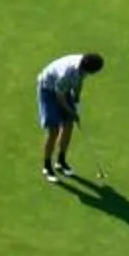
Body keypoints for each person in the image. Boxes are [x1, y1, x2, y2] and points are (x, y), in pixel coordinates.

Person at [36, 51, 104, 179]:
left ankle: (60, 162)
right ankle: (47, 166)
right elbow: (59, 96)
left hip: (63, 89)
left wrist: (76, 101)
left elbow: (78, 83)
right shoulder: (66, 73)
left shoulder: (84, 65)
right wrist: (72, 112)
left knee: (68, 125)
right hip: (48, 89)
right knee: (53, 130)